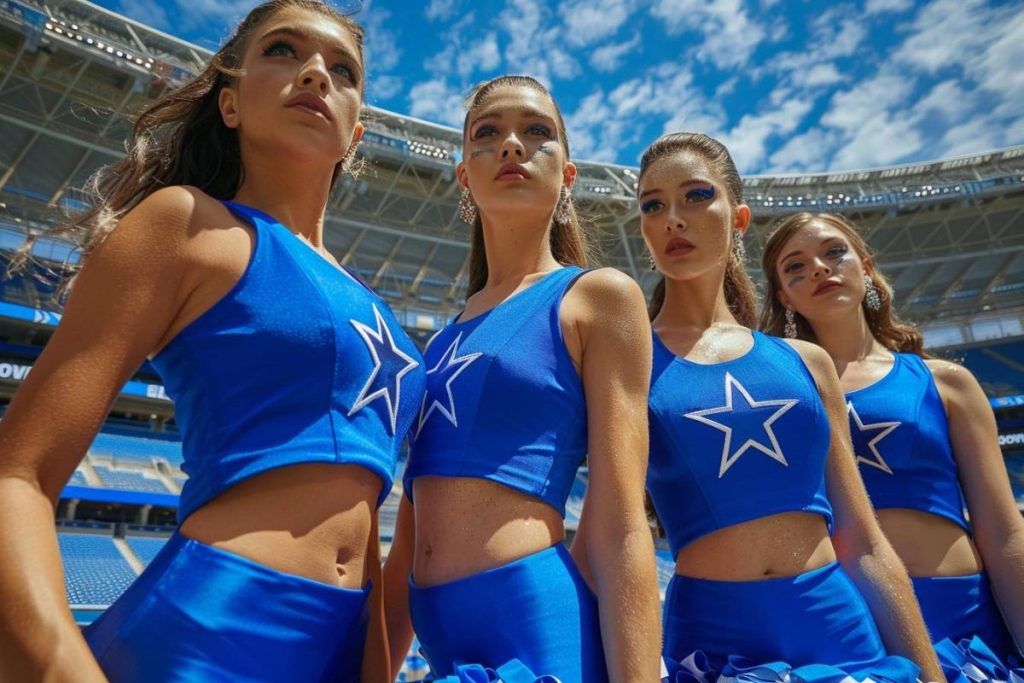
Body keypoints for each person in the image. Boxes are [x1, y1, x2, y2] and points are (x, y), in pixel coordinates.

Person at [0, 2, 425, 680]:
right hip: (208, 637)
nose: (316, 72)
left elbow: (363, 518)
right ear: (229, 103)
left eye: (342, 69)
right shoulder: (187, 223)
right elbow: (15, 474)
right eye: (283, 51)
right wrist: (57, 667)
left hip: (344, 652)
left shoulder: (384, 317)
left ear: (356, 131)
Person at [383, 75, 661, 683]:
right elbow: (409, 529)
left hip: (535, 635)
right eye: (488, 134)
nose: (512, 145)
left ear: (567, 175)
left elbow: (619, 523)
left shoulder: (597, 296)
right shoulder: (443, 339)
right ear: (463, 176)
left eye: (537, 132)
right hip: (437, 643)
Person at [639, 133, 943, 683]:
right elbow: (618, 534)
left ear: (739, 217)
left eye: (696, 195)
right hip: (712, 642)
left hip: (837, 628)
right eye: (653, 205)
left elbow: (865, 541)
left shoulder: (806, 362)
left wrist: (930, 675)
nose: (673, 219)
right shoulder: (626, 357)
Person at [760, 211, 1024, 678]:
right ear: (785, 298)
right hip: (847, 628)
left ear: (866, 267)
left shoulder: (946, 383)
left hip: (965, 623)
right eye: (794, 267)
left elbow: (1003, 532)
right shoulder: (774, 399)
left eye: (834, 252)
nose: (819, 268)